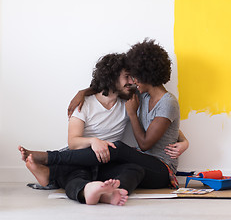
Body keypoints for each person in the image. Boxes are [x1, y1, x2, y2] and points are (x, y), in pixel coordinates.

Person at [19, 39, 187, 205]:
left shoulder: (164, 102)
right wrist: (83, 92)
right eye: (130, 76)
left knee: (118, 147)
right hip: (139, 162)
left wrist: (133, 114)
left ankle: (50, 161)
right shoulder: (142, 95)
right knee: (123, 170)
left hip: (162, 169)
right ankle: (111, 193)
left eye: (135, 76)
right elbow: (111, 86)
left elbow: (145, 143)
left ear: (145, 75)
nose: (133, 81)